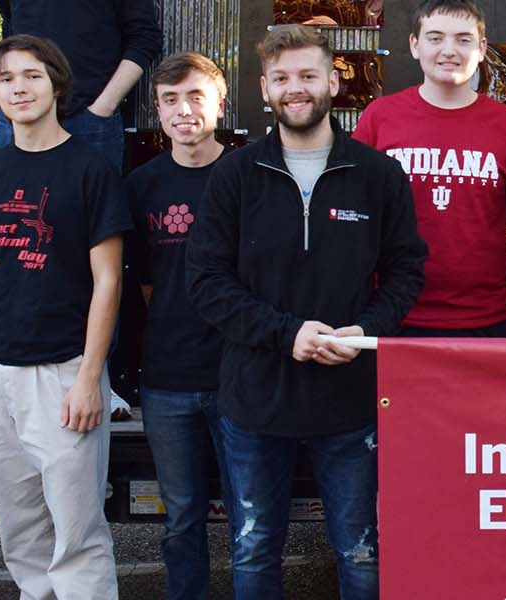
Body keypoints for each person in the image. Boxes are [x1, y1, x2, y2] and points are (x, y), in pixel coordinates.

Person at [186, 24, 425, 599]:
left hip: (351, 399)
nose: (296, 89)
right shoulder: (236, 175)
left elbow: (406, 272)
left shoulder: (376, 174)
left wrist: (366, 332)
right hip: (254, 400)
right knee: (253, 550)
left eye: (308, 76)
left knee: (362, 553)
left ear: (333, 83)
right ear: (265, 88)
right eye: (283, 78)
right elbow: (206, 280)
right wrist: (286, 334)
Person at [0, 35, 130, 599]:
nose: (19, 88)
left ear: (56, 83)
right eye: (7, 79)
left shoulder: (90, 167)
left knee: (76, 532)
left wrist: (88, 377)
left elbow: (109, 280)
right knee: (19, 526)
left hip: (60, 370)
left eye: (31, 75)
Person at [352, 0, 506, 338]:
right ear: (415, 45)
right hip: (393, 317)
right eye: (436, 37)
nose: (449, 50)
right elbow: (352, 224)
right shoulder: (379, 119)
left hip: (489, 320)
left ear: (482, 49)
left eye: (463, 39)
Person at [124, 52, 231, 600]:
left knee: (251, 517)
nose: (183, 110)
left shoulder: (247, 174)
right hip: (166, 379)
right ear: (157, 111)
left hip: (240, 377)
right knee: (182, 518)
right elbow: (142, 282)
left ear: (220, 100)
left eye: (195, 96)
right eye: (170, 100)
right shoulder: (141, 185)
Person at [0, 0, 162, 166]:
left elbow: (144, 38)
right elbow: (10, 26)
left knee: (91, 194)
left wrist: (104, 107)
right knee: (8, 193)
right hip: (18, 117)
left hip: (88, 117)